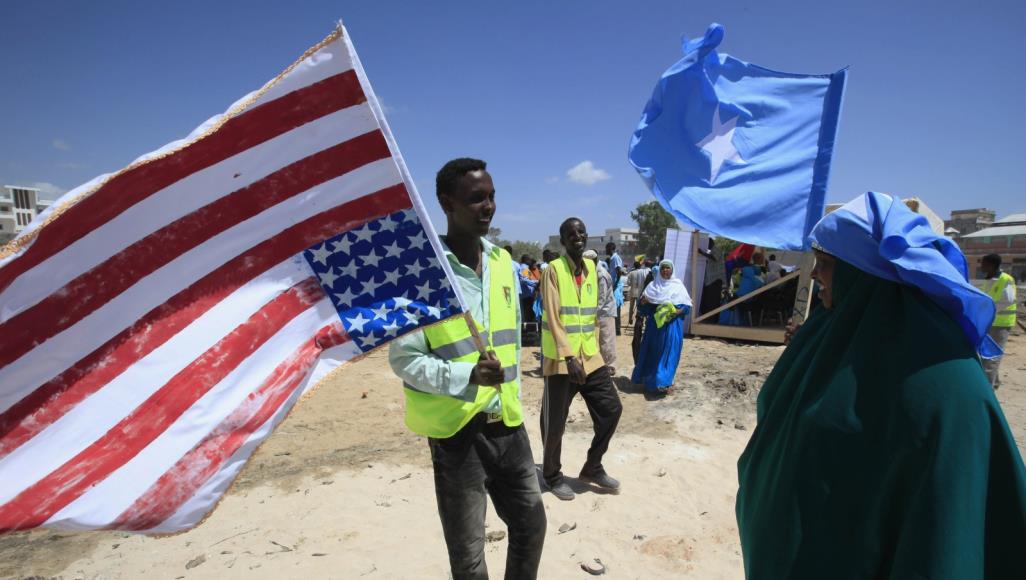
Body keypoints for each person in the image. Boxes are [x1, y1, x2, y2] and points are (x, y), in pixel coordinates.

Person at [736, 192, 1026, 579]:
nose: (816, 275)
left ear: (864, 272)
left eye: (825, 263)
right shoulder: (829, 331)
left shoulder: (946, 380)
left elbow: (944, 530)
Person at [389, 158, 545, 579]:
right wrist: (468, 376)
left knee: (531, 525)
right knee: (469, 557)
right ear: (446, 203)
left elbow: (512, 342)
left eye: (491, 196)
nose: (488, 206)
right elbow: (404, 359)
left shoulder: (503, 262)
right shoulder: (423, 273)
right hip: (456, 432)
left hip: (506, 423)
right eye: (476, 198)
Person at [540, 217, 623, 501]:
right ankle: (552, 475)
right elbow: (553, 317)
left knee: (611, 410)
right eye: (571, 234)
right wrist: (568, 356)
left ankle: (593, 466)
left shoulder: (591, 269)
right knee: (554, 423)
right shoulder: (553, 270)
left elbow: (593, 317)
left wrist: (599, 352)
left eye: (581, 232)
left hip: (589, 356)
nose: (578, 237)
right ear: (563, 241)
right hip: (561, 360)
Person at [631, 260, 692, 395]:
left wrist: (678, 311)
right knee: (654, 354)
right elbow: (642, 308)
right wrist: (644, 302)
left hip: (672, 327)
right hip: (654, 328)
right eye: (663, 268)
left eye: (668, 268)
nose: (665, 270)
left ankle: (665, 381)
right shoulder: (652, 286)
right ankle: (652, 381)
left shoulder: (678, 286)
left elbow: (687, 307)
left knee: (669, 354)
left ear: (672, 270)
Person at [980, 253, 1018, 388]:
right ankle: (994, 382)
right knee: (987, 355)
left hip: (1001, 323)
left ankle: (987, 388)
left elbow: (1008, 300)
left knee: (992, 356)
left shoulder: (1006, 279)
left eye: (983, 263)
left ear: (992, 265)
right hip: (990, 322)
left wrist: (989, 310)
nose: (981, 266)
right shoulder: (988, 279)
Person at [585, 249, 617, 374]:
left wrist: (592, 313)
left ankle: (610, 366)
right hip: (598, 312)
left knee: (606, 340)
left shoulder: (601, 275)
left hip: (605, 312)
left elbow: (601, 299)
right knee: (599, 340)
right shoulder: (592, 272)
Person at [605, 242, 624, 335]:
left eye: (606, 248)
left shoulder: (615, 258)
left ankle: (617, 330)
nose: (605, 250)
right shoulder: (612, 258)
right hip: (613, 286)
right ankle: (615, 329)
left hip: (615, 287)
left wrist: (615, 285)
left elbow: (619, 271)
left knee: (616, 308)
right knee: (613, 308)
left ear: (610, 249)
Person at [627, 261, 649, 325]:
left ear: (634, 266)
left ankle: (630, 319)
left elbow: (628, 283)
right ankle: (638, 320)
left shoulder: (631, 273)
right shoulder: (642, 272)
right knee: (639, 307)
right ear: (640, 266)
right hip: (639, 292)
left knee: (631, 307)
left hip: (632, 292)